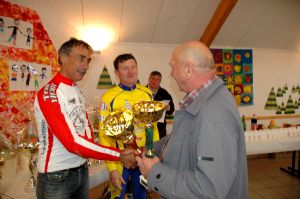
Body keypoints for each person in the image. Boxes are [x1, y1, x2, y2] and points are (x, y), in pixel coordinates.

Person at [136, 41, 248, 199]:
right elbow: (182, 138)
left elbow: (208, 190)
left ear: (188, 69)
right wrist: (146, 149)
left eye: (172, 66)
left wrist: (155, 172)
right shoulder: (201, 100)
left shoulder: (214, 112)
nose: (171, 73)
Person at [34, 38, 135, 199]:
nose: (86, 66)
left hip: (81, 170)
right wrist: (118, 154)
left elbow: (86, 132)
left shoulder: (76, 90)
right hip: (56, 176)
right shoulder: (50, 93)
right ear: (63, 57)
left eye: (88, 61)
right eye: (81, 58)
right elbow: (72, 142)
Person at [99, 53, 160, 199]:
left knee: (142, 196)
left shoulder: (146, 94)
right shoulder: (108, 97)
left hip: (143, 157)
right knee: (118, 196)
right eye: (125, 68)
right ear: (116, 73)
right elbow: (104, 135)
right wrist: (112, 169)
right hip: (121, 159)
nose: (131, 71)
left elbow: (153, 127)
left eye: (133, 67)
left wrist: (153, 154)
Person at [147, 71, 175, 139]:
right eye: (153, 78)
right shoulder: (142, 92)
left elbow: (171, 110)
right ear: (149, 79)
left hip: (160, 129)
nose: (154, 81)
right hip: (144, 128)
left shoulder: (165, 93)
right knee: (144, 148)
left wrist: (168, 108)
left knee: (159, 149)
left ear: (160, 81)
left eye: (157, 79)